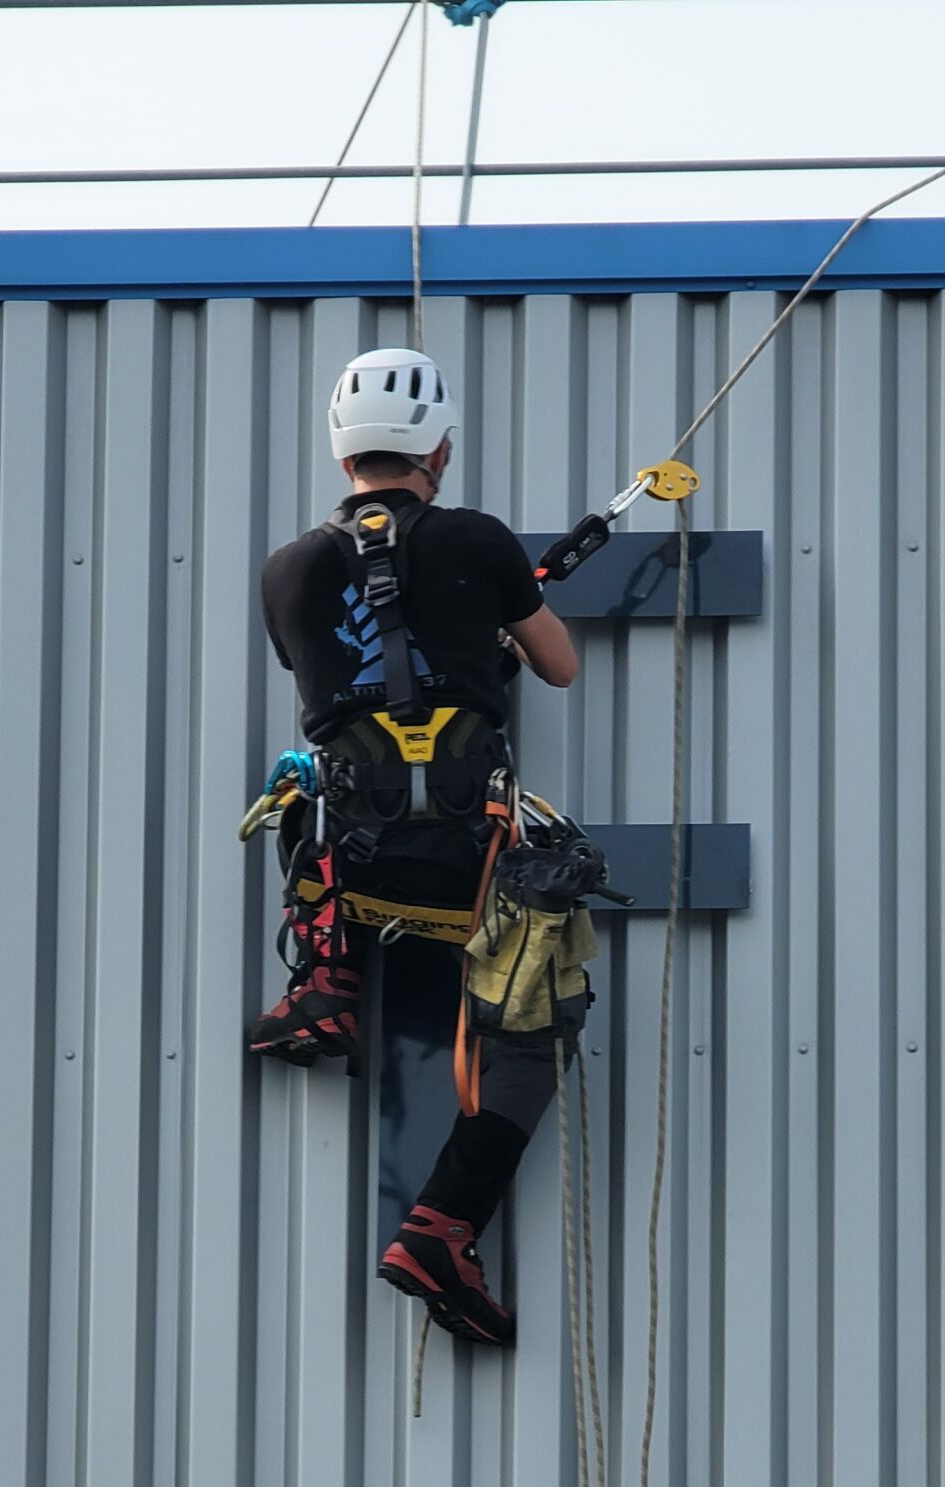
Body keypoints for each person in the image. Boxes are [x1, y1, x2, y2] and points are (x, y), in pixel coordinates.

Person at [248, 346, 579, 1347]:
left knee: (303, 787)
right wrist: (502, 635)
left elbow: (338, 678)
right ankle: (442, 1226)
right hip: (470, 862)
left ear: (342, 451)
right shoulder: (479, 539)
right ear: (438, 445)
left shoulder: (287, 568)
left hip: (355, 859)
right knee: (527, 1033)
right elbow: (556, 666)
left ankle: (325, 982)